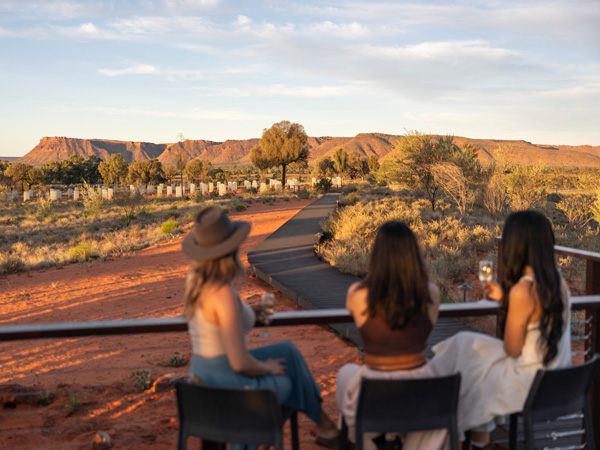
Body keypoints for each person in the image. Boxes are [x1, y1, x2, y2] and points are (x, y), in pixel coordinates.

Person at [182, 206, 338, 448]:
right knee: (288, 383)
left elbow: (216, 323)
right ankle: (255, 442)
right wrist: (268, 368)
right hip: (227, 384)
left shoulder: (197, 281)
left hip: (203, 374)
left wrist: (247, 313)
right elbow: (239, 363)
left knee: (288, 351)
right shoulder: (222, 293)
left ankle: (326, 428)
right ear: (229, 250)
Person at [430, 210, 572, 449]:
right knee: (466, 347)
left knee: (468, 357)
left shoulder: (522, 291)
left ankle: (433, 414)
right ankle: (475, 439)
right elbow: (537, 315)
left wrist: (511, 301)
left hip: (529, 384)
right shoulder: (557, 281)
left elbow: (512, 349)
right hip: (557, 379)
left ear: (515, 246)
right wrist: (505, 297)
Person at [336, 221, 447, 450]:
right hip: (420, 388)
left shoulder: (357, 294)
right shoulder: (431, 294)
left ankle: (368, 441)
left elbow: (359, 321)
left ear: (378, 254)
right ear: (413, 254)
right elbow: (427, 330)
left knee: (347, 374)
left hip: (376, 388)